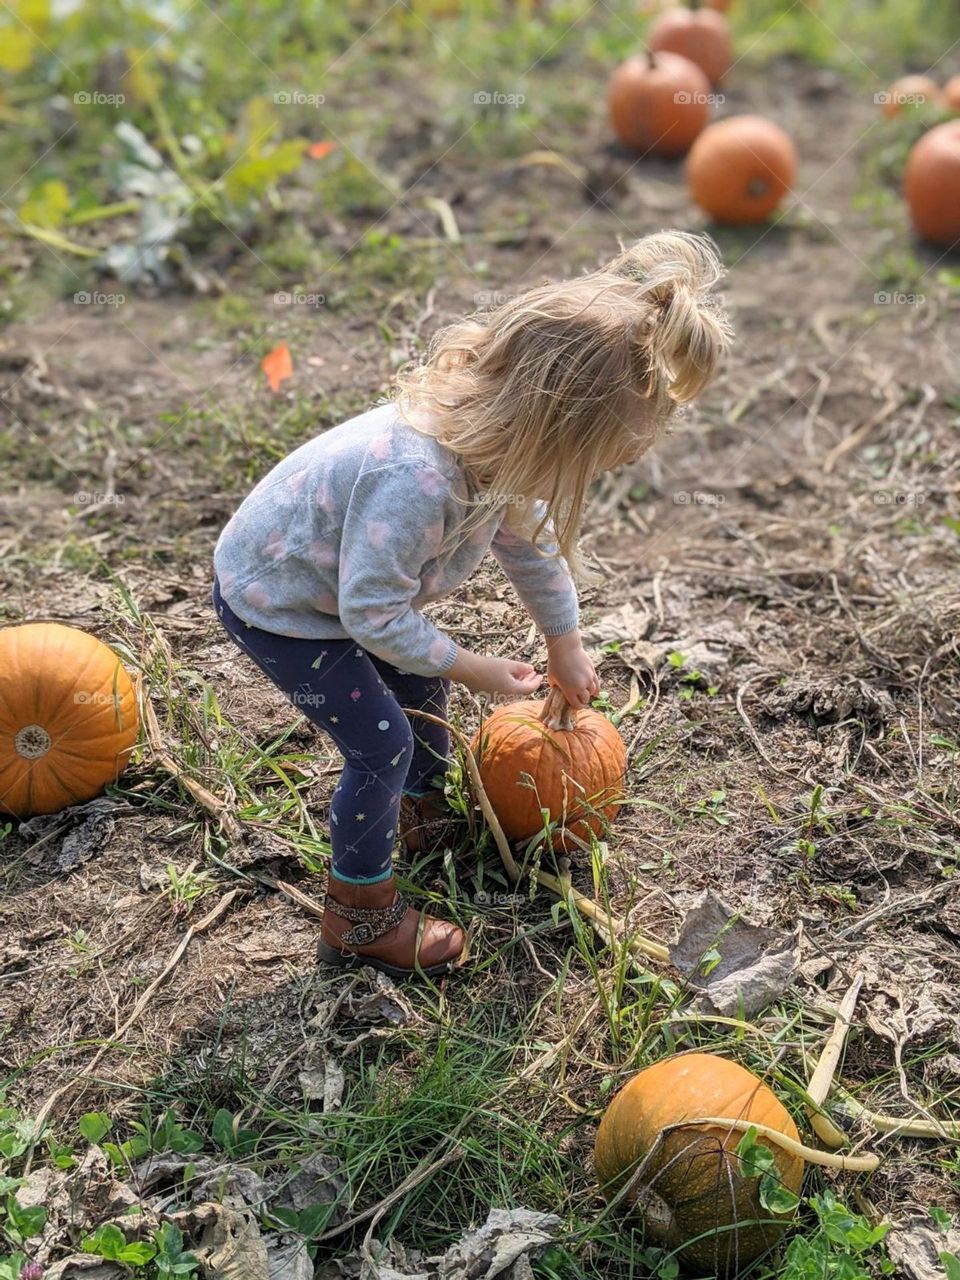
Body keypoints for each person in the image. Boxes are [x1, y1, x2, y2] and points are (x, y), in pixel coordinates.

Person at [211, 229, 732, 979]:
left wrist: (565, 642)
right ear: (552, 430)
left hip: (341, 598)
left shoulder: (497, 453)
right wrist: (475, 667)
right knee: (380, 742)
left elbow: (529, 548)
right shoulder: (418, 480)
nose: (575, 485)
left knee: (419, 688)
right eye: (591, 465)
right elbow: (373, 617)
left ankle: (419, 812)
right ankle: (358, 915)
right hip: (281, 605)